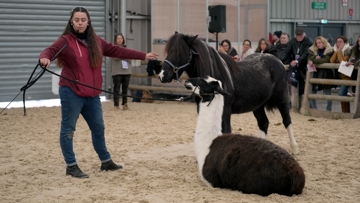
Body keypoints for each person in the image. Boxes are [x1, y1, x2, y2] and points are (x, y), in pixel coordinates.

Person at [38, 7, 158, 178]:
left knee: (99, 128)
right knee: (68, 129)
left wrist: (143, 55)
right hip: (71, 92)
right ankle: (71, 166)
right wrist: (44, 58)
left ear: (88, 22)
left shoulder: (97, 41)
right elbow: (49, 50)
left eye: (83, 20)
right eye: (77, 20)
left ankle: (106, 161)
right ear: (71, 21)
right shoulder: (65, 41)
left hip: (92, 95)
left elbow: (119, 50)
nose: (80, 23)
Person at [280, 27, 313, 96]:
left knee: (303, 87)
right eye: (297, 36)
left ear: (304, 35)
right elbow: (287, 51)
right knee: (292, 85)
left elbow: (306, 53)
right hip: (294, 65)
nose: (299, 37)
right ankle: (294, 102)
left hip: (303, 65)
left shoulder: (309, 42)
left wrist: (298, 61)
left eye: (301, 36)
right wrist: (280, 60)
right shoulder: (293, 41)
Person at [307, 36, 334, 111]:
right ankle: (315, 109)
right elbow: (309, 59)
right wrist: (313, 60)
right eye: (317, 43)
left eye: (320, 42)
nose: (318, 44)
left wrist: (314, 60)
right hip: (316, 73)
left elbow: (326, 60)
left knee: (328, 93)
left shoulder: (329, 50)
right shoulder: (314, 51)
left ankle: (329, 109)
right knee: (312, 92)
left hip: (326, 73)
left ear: (323, 42)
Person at [330, 36, 352, 113]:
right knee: (344, 94)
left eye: (340, 41)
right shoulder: (336, 50)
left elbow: (341, 61)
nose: (338, 43)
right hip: (340, 77)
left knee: (341, 93)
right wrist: (337, 51)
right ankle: (346, 112)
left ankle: (345, 111)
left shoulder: (348, 51)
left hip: (347, 77)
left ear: (345, 43)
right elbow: (331, 61)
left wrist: (339, 51)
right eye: (337, 41)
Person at [111, 33, 132, 110]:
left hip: (126, 71)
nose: (120, 40)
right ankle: (116, 104)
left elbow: (130, 58)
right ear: (115, 40)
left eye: (121, 38)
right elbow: (115, 57)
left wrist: (123, 56)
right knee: (116, 88)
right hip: (117, 71)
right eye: (118, 38)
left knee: (125, 88)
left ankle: (125, 104)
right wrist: (125, 56)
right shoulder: (113, 48)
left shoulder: (127, 49)